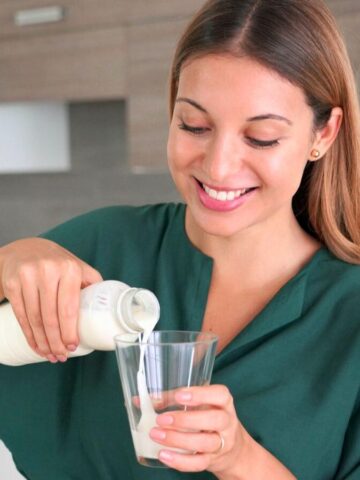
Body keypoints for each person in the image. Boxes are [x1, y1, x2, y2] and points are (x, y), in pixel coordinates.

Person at [0, 0, 359, 478]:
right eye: (195, 125)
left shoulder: (348, 316)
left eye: (262, 137)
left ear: (324, 133)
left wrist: (239, 459)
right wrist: (10, 260)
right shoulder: (104, 244)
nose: (218, 166)